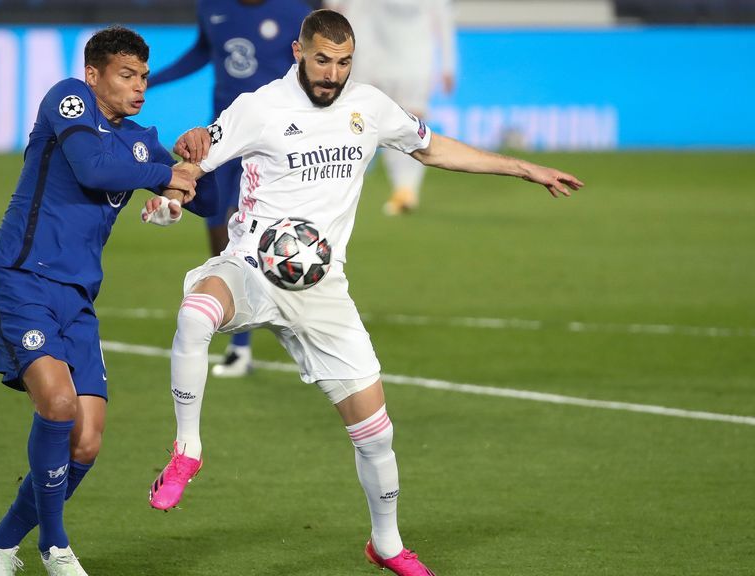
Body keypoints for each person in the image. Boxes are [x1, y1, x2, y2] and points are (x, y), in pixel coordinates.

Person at [148, 9, 582, 576]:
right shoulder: (260, 108)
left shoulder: (369, 107)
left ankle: (387, 544)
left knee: (376, 434)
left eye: (344, 62)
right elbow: (195, 163)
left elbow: (430, 148)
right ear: (298, 53)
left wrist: (520, 167)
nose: (332, 74)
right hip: (251, 265)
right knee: (197, 313)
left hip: (323, 288)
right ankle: (187, 452)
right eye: (323, 60)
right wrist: (173, 198)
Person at [0, 26, 211, 576]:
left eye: (144, 76)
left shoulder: (142, 140)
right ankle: (55, 547)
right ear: (94, 74)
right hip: (21, 278)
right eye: (127, 75)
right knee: (56, 405)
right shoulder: (67, 99)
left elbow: (203, 194)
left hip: (77, 299)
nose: (139, 87)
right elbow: (94, 168)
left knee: (87, 441)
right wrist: (167, 173)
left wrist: (196, 161)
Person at [149, 0, 315, 377]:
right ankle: (241, 342)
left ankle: (297, 327)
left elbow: (313, 68)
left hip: (277, 140)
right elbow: (203, 51)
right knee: (214, 220)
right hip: (224, 134)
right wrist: (153, 79)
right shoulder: (212, 8)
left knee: (277, 231)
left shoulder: (295, 12)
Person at [328, 0, 456, 214]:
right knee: (380, 126)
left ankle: (406, 189)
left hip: (416, 66)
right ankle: (344, 183)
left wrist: (448, 65)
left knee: (412, 126)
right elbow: (349, 13)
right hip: (380, 65)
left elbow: (443, 20)